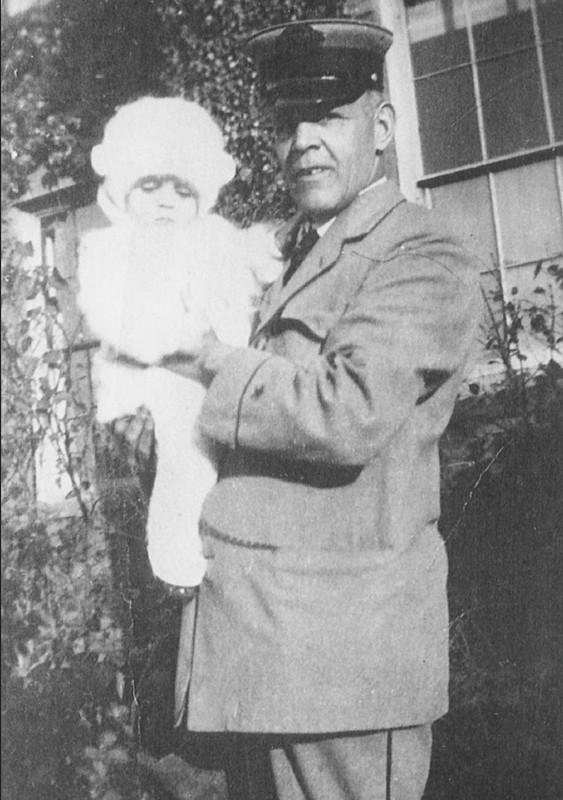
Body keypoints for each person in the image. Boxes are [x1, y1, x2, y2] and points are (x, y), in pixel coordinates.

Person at [117, 18, 482, 800]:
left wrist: (203, 360)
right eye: (286, 122)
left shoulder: (421, 253)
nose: (303, 141)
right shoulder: (287, 260)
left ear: (381, 127)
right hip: (258, 654)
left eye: (328, 116)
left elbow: (344, 411)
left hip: (346, 670)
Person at [79, 96, 282, 592]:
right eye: (150, 187)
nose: (166, 201)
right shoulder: (113, 249)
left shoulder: (211, 236)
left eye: (181, 190)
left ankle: (211, 548)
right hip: (144, 377)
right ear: (125, 191)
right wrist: (185, 341)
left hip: (201, 373)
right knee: (182, 453)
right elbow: (119, 324)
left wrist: (260, 254)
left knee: (217, 450)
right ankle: (175, 555)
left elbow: (248, 265)